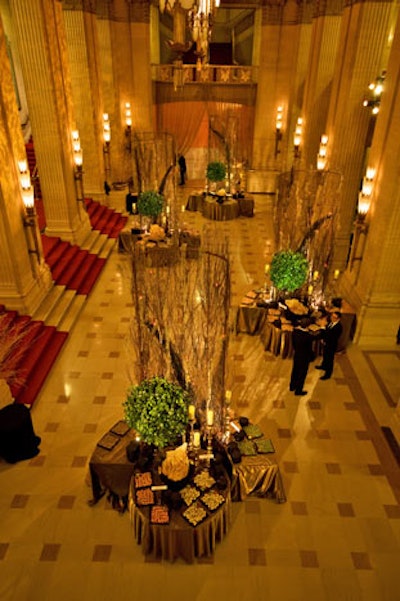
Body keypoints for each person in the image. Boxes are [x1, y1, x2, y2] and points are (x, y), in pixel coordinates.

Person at [290, 317, 315, 396]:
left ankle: (292, 386)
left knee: (295, 371)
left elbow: (293, 344)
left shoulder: (295, 332)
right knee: (302, 374)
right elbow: (309, 349)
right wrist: (312, 356)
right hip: (304, 357)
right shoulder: (307, 336)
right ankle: (298, 390)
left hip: (297, 355)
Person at [315, 310, 343, 380]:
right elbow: (327, 331)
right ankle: (323, 366)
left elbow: (332, 336)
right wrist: (323, 339)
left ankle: (328, 374)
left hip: (331, 345)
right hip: (326, 343)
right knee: (325, 355)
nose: (332, 318)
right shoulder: (331, 323)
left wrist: (323, 329)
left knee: (330, 359)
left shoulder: (338, 327)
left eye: (334, 317)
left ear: (338, 319)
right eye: (332, 316)